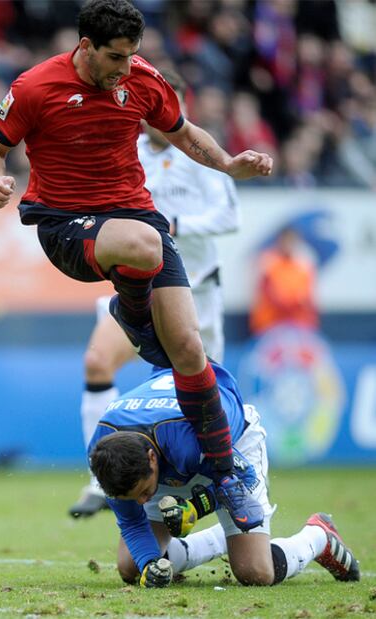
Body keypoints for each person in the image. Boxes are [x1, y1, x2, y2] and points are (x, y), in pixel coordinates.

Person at [0, 0, 273, 528]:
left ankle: (228, 473)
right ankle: (132, 315)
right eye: (116, 56)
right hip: (67, 225)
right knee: (143, 246)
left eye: (132, 56)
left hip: (136, 220)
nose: (125, 67)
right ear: (85, 46)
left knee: (187, 349)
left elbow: (185, 134)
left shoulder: (143, 80)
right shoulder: (34, 87)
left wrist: (228, 163)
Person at [69, 68, 241, 518]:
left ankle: (222, 487)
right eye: (148, 108)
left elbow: (230, 216)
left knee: (207, 395)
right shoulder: (128, 152)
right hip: (138, 287)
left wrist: (177, 226)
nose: (153, 117)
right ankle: (100, 476)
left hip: (196, 293)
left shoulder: (200, 155)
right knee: (96, 361)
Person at [88, 362, 360, 588]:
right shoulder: (106, 456)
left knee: (255, 573)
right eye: (134, 497)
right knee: (132, 567)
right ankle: (224, 537)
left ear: (150, 458)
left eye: (145, 492)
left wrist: (196, 507)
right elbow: (133, 523)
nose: (142, 501)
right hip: (168, 451)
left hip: (229, 445)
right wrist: (149, 564)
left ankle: (318, 536)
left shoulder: (187, 442)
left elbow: (245, 477)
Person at [249, 226, 319, 335]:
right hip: (270, 325)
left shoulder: (303, 265)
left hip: (298, 324)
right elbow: (268, 292)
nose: (288, 244)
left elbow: (307, 297)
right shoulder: (268, 262)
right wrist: (286, 303)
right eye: (286, 240)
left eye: (292, 241)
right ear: (279, 241)